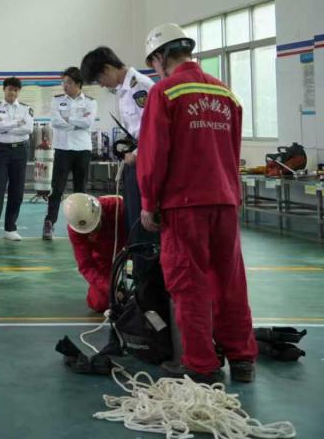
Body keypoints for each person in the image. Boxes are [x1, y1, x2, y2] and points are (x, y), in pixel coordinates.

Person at [138, 23, 256, 384]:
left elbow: (154, 155)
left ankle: (201, 363)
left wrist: (148, 202)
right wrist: (232, 193)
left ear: (160, 57)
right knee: (230, 280)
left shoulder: (165, 92)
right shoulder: (225, 93)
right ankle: (242, 359)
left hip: (184, 203)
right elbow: (233, 150)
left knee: (189, 282)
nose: (155, 70)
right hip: (224, 200)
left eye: (153, 63)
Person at [80, 46, 156, 272]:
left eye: (99, 79)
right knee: (133, 223)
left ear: (108, 69)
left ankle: (149, 282)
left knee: (144, 226)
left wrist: (138, 153)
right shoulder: (123, 90)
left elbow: (155, 129)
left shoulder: (139, 87)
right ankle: (141, 278)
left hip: (145, 164)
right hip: (134, 163)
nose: (102, 85)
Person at [44, 67, 97, 240]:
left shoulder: (90, 102)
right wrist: (76, 123)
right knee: (57, 189)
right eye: (64, 82)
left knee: (80, 189)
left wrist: (68, 120)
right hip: (63, 149)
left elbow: (88, 123)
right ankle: (49, 223)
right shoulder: (57, 100)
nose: (65, 85)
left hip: (83, 150)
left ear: (78, 84)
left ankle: (82, 225)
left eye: (69, 82)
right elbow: (55, 122)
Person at [0, 77, 33, 241]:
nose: (13, 92)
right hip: (1, 151)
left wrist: (6, 126)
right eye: (10, 89)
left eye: (16, 90)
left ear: (19, 91)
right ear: (4, 89)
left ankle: (10, 228)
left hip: (20, 150)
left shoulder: (26, 108)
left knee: (17, 191)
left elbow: (29, 128)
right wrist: (17, 124)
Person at [64, 194, 127, 313]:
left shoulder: (117, 206)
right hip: (105, 255)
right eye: (89, 231)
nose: (93, 231)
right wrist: (110, 289)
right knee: (99, 302)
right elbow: (86, 265)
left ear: (100, 212)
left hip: (132, 244)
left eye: (95, 226)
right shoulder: (76, 230)